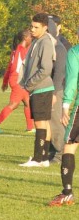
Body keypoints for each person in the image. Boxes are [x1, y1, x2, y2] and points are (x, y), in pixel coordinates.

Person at [19, 13, 54, 167]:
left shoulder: (45, 42)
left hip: (41, 88)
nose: (32, 29)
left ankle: (37, 158)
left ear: (45, 28)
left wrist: (29, 84)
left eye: (36, 27)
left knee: (40, 124)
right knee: (44, 123)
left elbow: (46, 68)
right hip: (39, 89)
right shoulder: (37, 41)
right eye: (31, 26)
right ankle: (44, 158)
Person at [49, 40, 79, 206]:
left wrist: (65, 106)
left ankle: (67, 193)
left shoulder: (75, 52)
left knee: (69, 146)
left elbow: (72, 80)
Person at [0, 30, 34, 134]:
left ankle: (30, 127)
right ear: (25, 38)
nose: (32, 38)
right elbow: (16, 67)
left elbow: (9, 67)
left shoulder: (16, 50)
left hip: (16, 80)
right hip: (19, 81)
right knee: (14, 104)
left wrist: (5, 82)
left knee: (28, 102)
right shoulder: (22, 50)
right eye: (30, 36)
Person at [48, 17, 67, 164]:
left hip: (58, 88)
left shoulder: (61, 46)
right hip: (46, 88)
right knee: (47, 122)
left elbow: (60, 72)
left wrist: (55, 91)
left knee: (56, 122)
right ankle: (51, 151)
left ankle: (59, 154)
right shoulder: (46, 44)